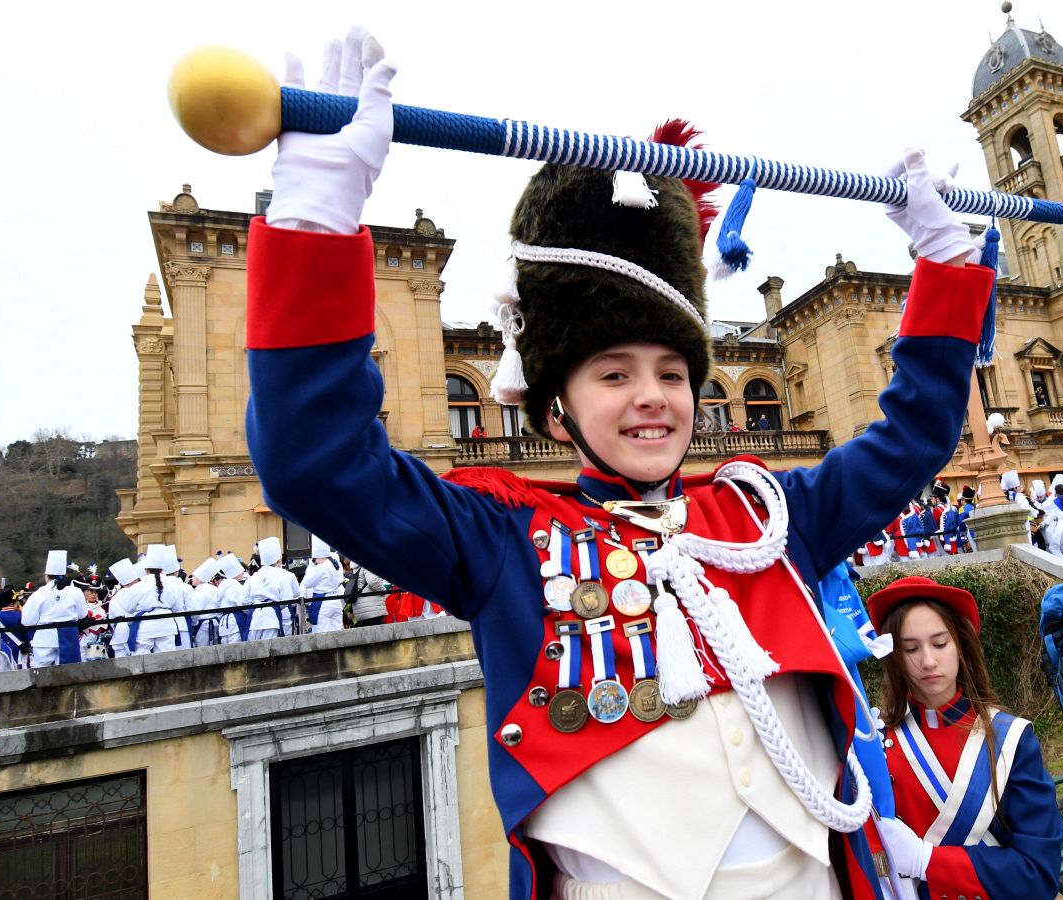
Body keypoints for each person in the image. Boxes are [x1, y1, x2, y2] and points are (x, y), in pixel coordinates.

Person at [242, 28, 993, 898]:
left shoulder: (768, 519)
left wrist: (946, 269)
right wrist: (314, 224)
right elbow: (315, 461)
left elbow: (914, 437)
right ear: (555, 409)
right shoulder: (501, 541)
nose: (654, 396)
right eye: (614, 373)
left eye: (673, 372)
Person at [865, 576, 1062, 898]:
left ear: (961, 647)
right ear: (894, 658)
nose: (928, 661)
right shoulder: (877, 742)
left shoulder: (1010, 739)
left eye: (940, 644)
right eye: (910, 648)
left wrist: (925, 860)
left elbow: (1037, 874)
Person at [21, 550, 86, 667]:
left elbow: (27, 621)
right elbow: (82, 614)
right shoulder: (75, 591)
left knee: (40, 674)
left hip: (44, 638)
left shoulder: (39, 594)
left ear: (46, 576)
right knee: (68, 673)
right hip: (68, 635)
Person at [245, 537, 300, 639]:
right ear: (277, 560)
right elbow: (287, 599)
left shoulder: (253, 577)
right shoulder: (281, 575)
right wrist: (274, 607)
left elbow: (244, 601)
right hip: (272, 618)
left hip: (255, 619)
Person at [300, 535, 346, 632]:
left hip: (323, 603)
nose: (315, 561)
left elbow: (307, 582)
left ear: (319, 556)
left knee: (322, 634)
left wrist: (313, 568)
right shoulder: (337, 564)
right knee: (337, 632)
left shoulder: (322, 567)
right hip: (336, 601)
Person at [187, 557, 224, 647]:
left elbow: (196, 610)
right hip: (216, 623)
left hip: (202, 627)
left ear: (200, 578)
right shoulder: (215, 589)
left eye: (194, 576)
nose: (192, 579)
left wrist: (193, 624)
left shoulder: (199, 590)